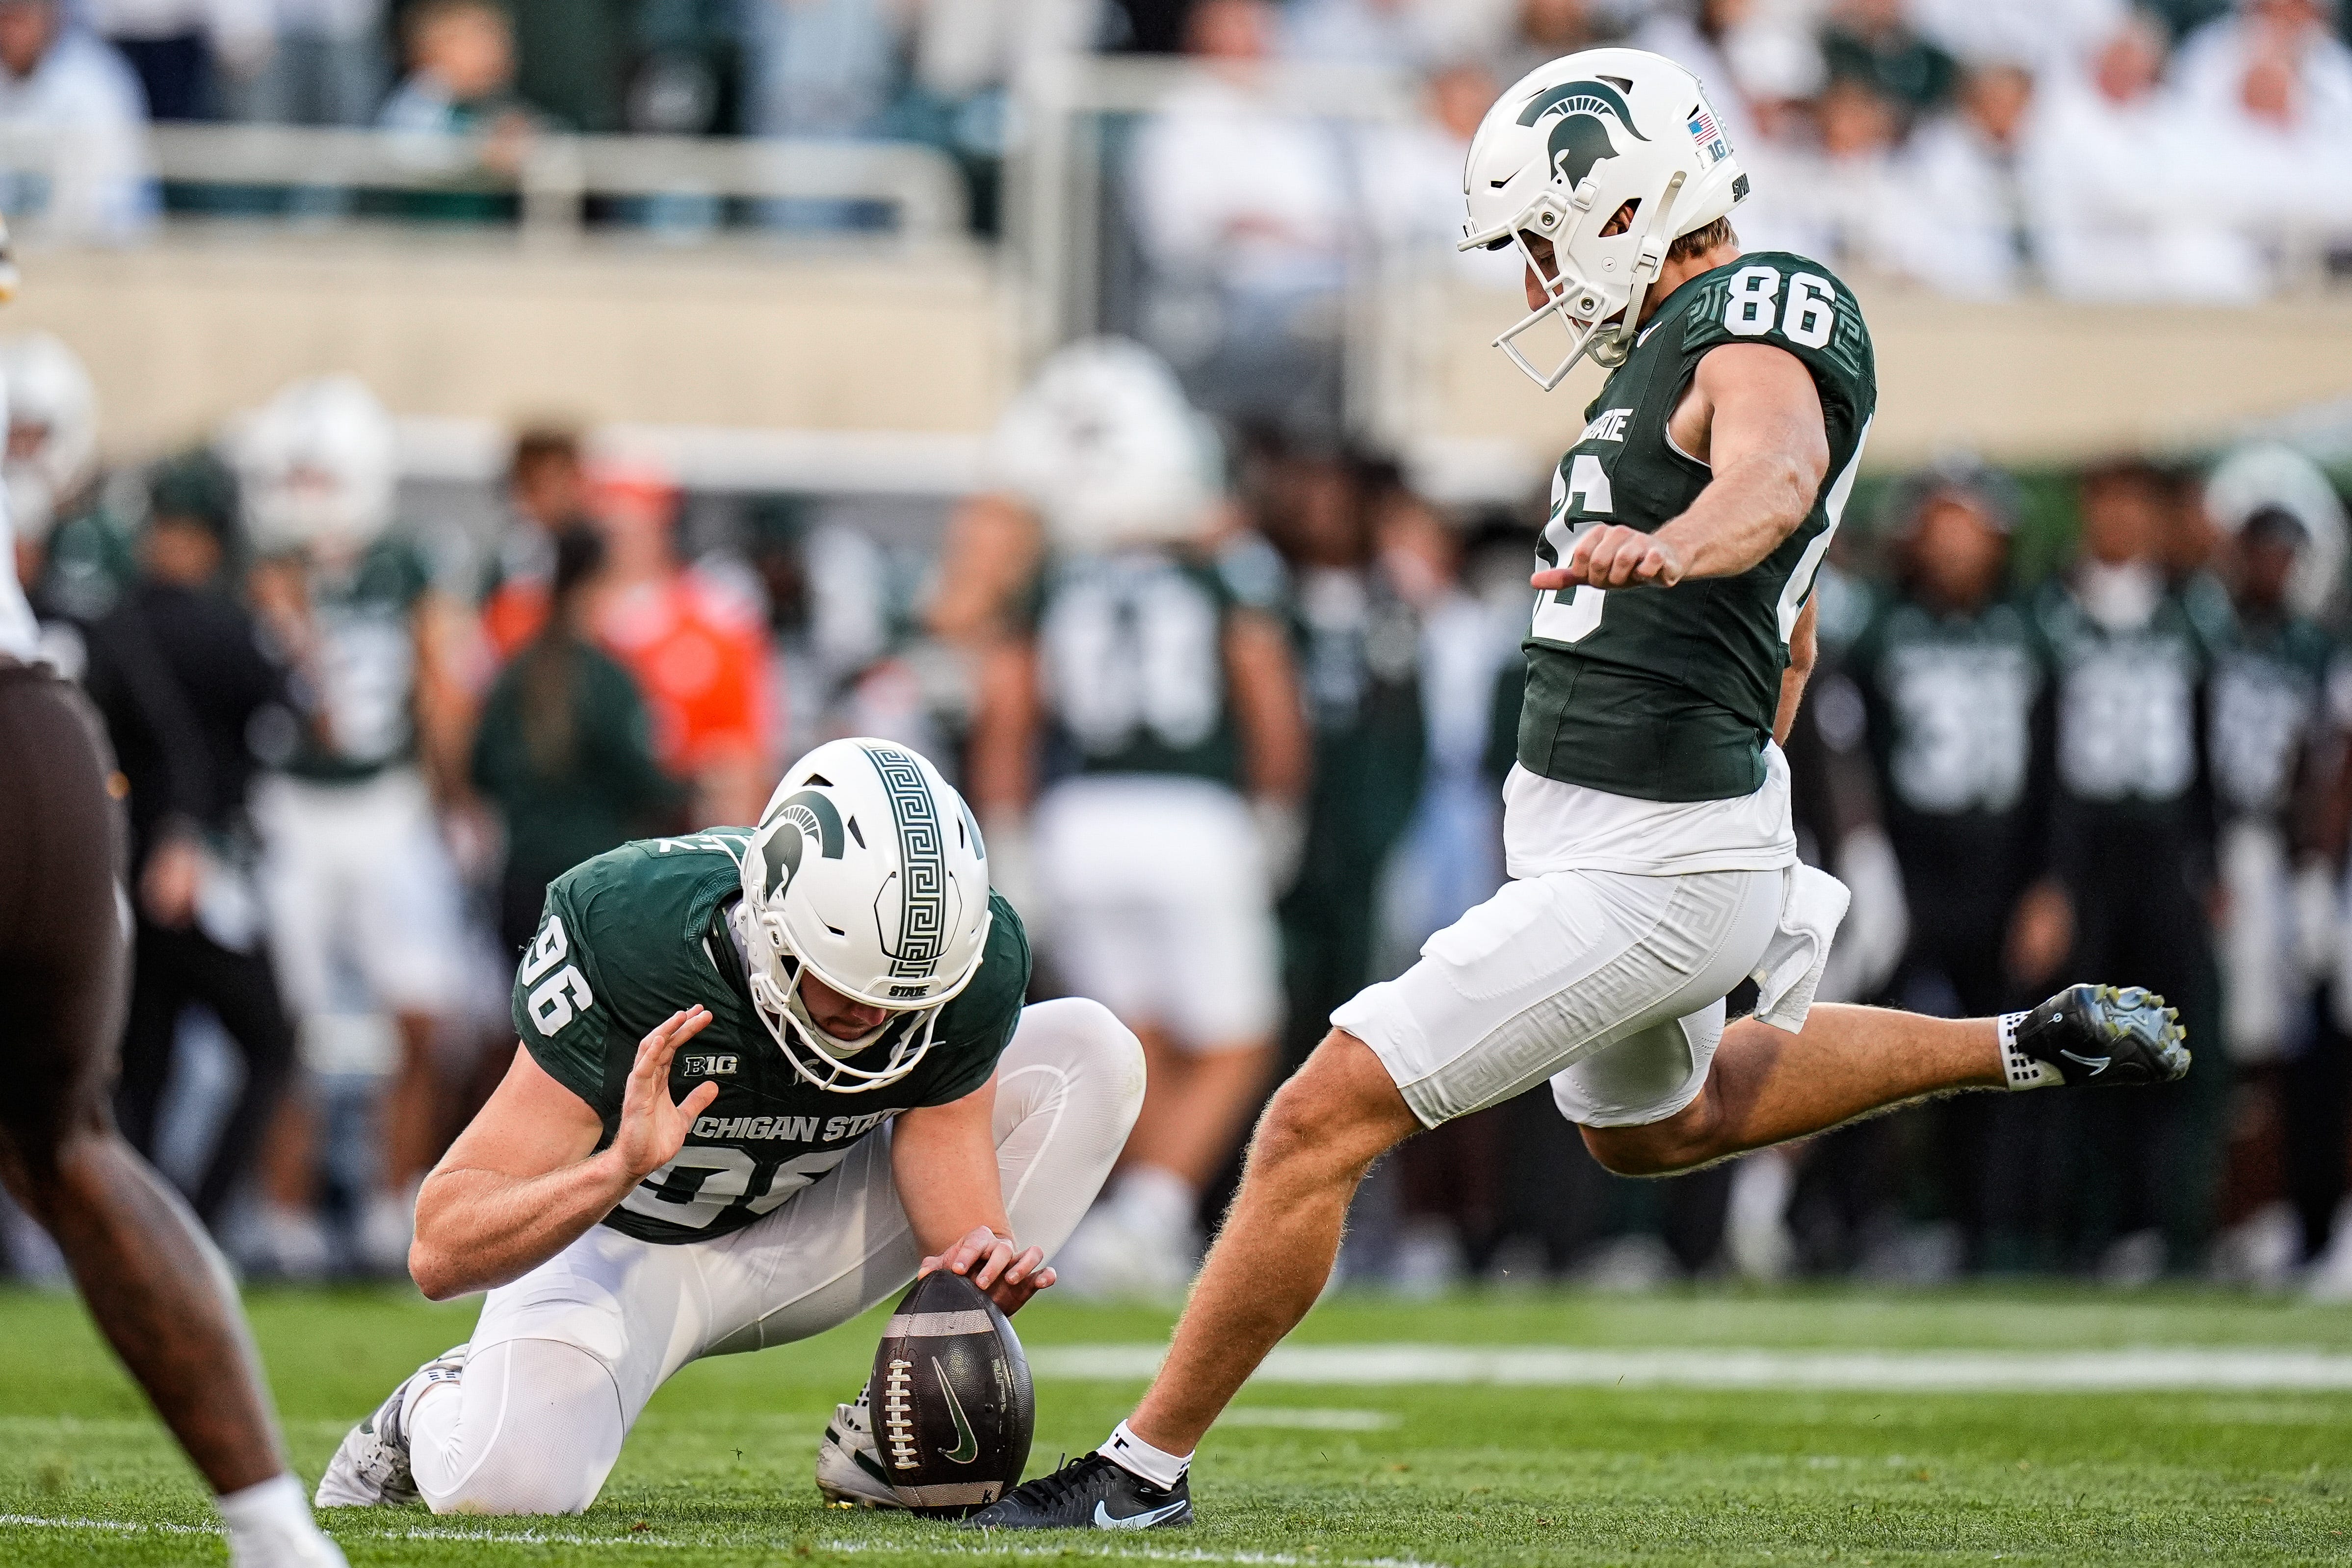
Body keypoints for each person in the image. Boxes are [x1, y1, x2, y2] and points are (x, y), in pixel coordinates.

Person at [972, 47, 2188, 1529]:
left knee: (1312, 1118)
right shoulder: (1663, 352)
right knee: (1653, 1125)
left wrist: (1683, 548)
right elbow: (1794, 625)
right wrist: (1742, 730)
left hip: (1645, 859)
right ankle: (2017, 1043)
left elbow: (1775, 471)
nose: (1538, 279)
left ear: (1626, 205)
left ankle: (1136, 1471)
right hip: (1655, 839)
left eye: (1546, 240)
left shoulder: (1757, 309)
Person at [313, 738, 1143, 1516]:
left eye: (906, 1001)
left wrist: (972, 1284)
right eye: (848, 987)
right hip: (619, 1251)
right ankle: (428, 1406)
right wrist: (613, 1168)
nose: (874, 1019)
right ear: (777, 926)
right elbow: (439, 1248)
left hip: (805, 1233)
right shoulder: (634, 937)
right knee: (509, 1488)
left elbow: (944, 1143)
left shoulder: (965, 961)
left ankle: (885, 1443)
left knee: (1093, 1052)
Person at [0, 321, 347, 1568]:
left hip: (95, 789)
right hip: (44, 742)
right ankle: (276, 1529)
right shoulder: (116, 589)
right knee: (72, 1144)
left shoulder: (123, 592)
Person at [966, 338, 1308, 1297]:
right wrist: (1276, 808)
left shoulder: (1059, 575)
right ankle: (1151, 1213)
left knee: (1136, 1038)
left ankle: (1134, 1226)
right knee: (1240, 1037)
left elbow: (1007, 712)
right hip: (1191, 813)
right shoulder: (1223, 571)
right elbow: (1266, 692)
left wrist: (1009, 830)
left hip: (1079, 817)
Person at [233, 374, 474, 1276]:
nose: (305, 497)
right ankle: (285, 1216)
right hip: (289, 806)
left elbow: (437, 690)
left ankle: (389, 1203)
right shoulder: (257, 568)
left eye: (319, 476)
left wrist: (455, 801)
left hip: (387, 804)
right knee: (285, 1023)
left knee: (422, 1014)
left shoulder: (410, 562)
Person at [96, 450, 307, 1235]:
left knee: (144, 1065)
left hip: (118, 867)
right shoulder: (231, 630)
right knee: (269, 1039)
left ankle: (141, 1232)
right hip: (199, 866)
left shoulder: (113, 622)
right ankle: (193, 1221)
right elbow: (284, 724)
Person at [470, 523, 685, 963]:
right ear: (593, 587)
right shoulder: (608, 680)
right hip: (596, 890)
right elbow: (644, 783)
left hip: (521, 882)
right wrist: (697, 787)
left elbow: (480, 770)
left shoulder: (516, 673)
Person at [0, 0, 154, 239]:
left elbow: (109, 204)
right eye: (4, 19)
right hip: (19, 244)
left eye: (21, 19)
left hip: (96, 246)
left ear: (50, 19)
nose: (10, 33)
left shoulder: (94, 81)